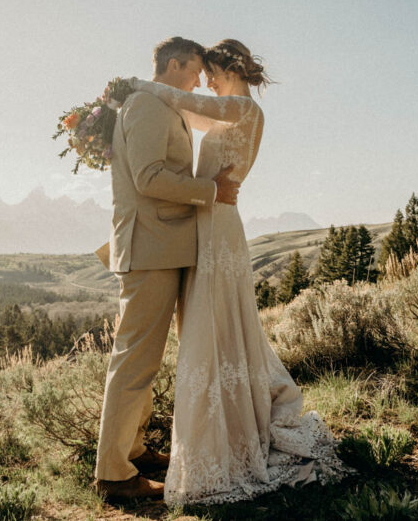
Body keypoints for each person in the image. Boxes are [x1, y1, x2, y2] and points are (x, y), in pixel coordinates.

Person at [129, 39, 347, 505]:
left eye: (210, 71)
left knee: (216, 326)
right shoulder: (229, 110)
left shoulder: (243, 109)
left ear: (230, 68)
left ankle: (227, 441)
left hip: (217, 225)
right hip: (209, 222)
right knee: (213, 326)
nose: (205, 80)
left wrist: (126, 89)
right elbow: (186, 116)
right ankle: (224, 428)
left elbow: (181, 100)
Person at [93, 37, 241, 500]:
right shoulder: (146, 107)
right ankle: (114, 474)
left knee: (145, 360)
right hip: (150, 248)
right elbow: (149, 177)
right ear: (173, 64)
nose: (199, 81)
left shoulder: (162, 107)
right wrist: (209, 189)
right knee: (134, 358)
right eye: (195, 70)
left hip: (164, 246)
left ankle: (133, 450)